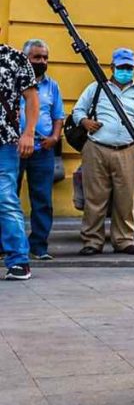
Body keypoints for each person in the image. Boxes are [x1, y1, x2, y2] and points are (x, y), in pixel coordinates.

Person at [73, 48, 134, 256]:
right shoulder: (96, 88)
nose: (125, 71)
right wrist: (85, 121)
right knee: (95, 198)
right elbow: (77, 110)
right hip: (97, 148)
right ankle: (92, 241)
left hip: (129, 150)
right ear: (112, 67)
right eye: (122, 67)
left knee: (126, 199)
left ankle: (124, 240)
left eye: (129, 67)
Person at [18, 39, 64, 261]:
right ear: (25, 58)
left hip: (43, 150)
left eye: (45, 57)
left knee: (42, 200)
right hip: (14, 148)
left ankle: (38, 246)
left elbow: (58, 116)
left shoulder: (52, 86)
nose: (42, 61)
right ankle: (7, 245)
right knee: (8, 197)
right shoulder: (13, 81)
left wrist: (54, 138)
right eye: (37, 57)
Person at [0, 25, 39, 280]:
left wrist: (29, 133)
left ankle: (18, 260)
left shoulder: (14, 58)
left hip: (4, 141)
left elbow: (32, 98)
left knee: (5, 198)